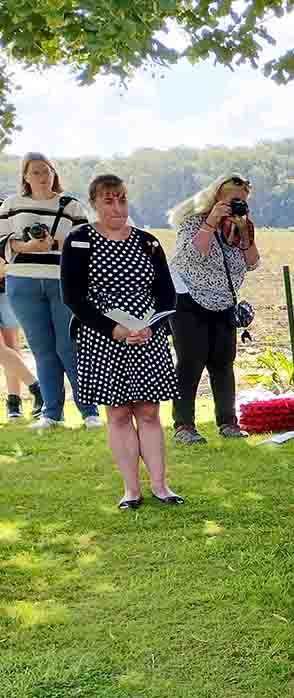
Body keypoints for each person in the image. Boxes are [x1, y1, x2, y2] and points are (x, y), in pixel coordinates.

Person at [61, 175, 182, 508]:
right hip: (101, 338)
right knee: (117, 414)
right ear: (95, 204)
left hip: (146, 336)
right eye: (109, 201)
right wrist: (111, 328)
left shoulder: (148, 242)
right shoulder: (78, 240)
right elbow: (72, 297)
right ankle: (131, 490)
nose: (117, 207)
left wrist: (150, 328)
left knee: (148, 412)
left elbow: (167, 295)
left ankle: (161, 486)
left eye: (122, 200)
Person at [0, 152, 99, 428]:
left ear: (54, 173)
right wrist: (27, 246)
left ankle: (89, 412)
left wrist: (54, 242)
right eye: (36, 172)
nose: (43, 177)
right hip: (23, 282)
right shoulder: (11, 204)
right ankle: (51, 414)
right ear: (25, 177)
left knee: (69, 347)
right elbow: (1, 242)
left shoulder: (70, 206)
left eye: (46, 171)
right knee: (42, 349)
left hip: (62, 281)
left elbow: (85, 244)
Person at [167, 174, 260, 443]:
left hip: (223, 302)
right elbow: (193, 255)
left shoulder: (241, 227)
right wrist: (211, 222)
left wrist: (245, 235)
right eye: (232, 200)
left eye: (242, 201)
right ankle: (184, 426)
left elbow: (252, 263)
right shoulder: (193, 222)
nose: (237, 205)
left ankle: (228, 423)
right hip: (188, 297)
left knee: (223, 361)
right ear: (216, 198)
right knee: (190, 361)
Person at [1, 259, 44, 420]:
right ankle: (37, 388)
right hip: (7, 282)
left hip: (6, 286)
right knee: (4, 350)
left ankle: (14, 400)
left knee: (11, 345)